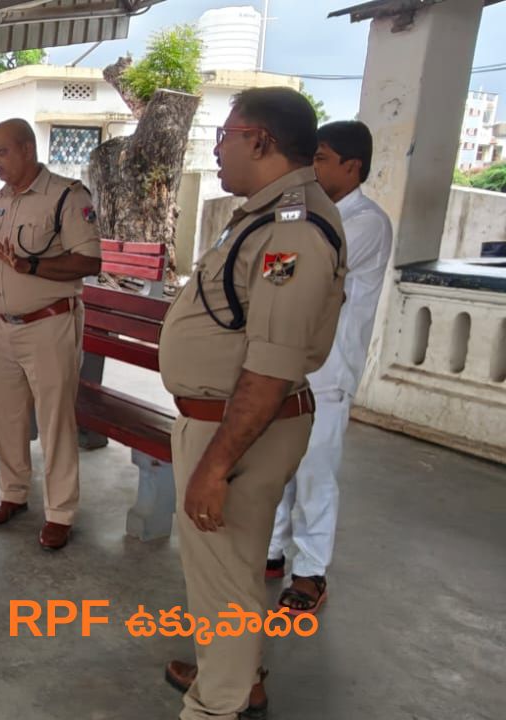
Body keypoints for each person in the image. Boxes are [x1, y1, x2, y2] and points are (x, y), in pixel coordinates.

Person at [158, 87, 348, 720]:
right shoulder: (265, 215)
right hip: (223, 421)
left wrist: (214, 466)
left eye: (225, 136)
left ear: (261, 140)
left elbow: (270, 368)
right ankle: (239, 676)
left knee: (224, 579)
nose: (217, 149)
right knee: (228, 570)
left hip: (235, 431)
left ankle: (217, 705)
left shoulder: (294, 232)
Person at [0, 118, 102, 551]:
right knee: (5, 415)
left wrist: (32, 266)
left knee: (55, 421)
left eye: (2, 152)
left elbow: (89, 261)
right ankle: (12, 492)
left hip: (49, 324)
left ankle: (60, 512)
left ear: (28, 149)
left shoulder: (66, 196)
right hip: (2, 326)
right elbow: (0, 264)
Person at [266, 121, 394, 615]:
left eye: (321, 158)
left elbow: (296, 273)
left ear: (351, 166)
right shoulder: (308, 213)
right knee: (277, 463)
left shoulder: (365, 223)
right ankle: (272, 552)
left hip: (329, 371)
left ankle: (311, 572)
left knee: (315, 473)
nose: (312, 167)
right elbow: (276, 273)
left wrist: (280, 263)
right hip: (287, 360)